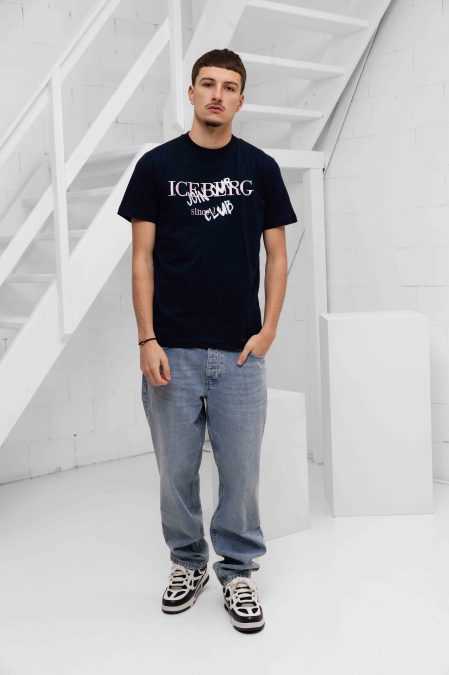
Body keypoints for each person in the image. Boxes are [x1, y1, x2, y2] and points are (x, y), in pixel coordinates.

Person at [117, 47, 297, 634]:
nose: (217, 94)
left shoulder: (261, 168)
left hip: (240, 353)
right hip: (171, 349)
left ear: (241, 100)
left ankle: (238, 571)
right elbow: (141, 259)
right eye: (208, 83)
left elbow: (277, 255)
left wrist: (269, 329)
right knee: (176, 472)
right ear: (191, 92)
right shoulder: (156, 167)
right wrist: (146, 338)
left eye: (229, 86)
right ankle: (188, 562)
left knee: (241, 473)